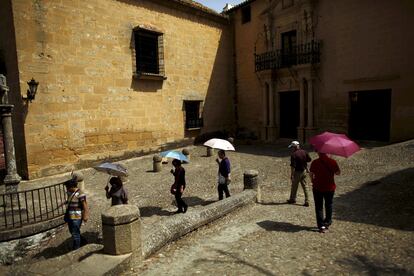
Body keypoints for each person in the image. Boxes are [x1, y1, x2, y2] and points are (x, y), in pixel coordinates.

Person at [309, 151, 340, 233]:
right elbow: (338, 173)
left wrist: (312, 181)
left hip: (317, 187)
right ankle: (327, 222)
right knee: (329, 205)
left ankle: (321, 226)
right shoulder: (332, 161)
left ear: (318, 153)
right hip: (330, 188)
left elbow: (311, 174)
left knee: (319, 207)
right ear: (328, 153)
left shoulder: (315, 162)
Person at [64, 178, 89, 250]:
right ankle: (83, 242)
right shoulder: (70, 192)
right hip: (70, 215)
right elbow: (71, 199)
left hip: (76, 217)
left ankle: (76, 249)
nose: (67, 189)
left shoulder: (80, 194)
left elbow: (85, 206)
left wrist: (85, 216)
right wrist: (67, 202)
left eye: (67, 187)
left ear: (71, 187)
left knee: (75, 234)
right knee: (73, 231)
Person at [287, 141, 311, 206]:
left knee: (294, 186)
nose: (292, 149)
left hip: (297, 172)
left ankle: (292, 199)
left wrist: (292, 175)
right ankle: (307, 200)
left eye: (292, 147)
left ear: (294, 147)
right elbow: (309, 159)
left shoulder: (293, 155)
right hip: (304, 171)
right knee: (305, 186)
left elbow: (293, 166)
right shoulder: (304, 152)